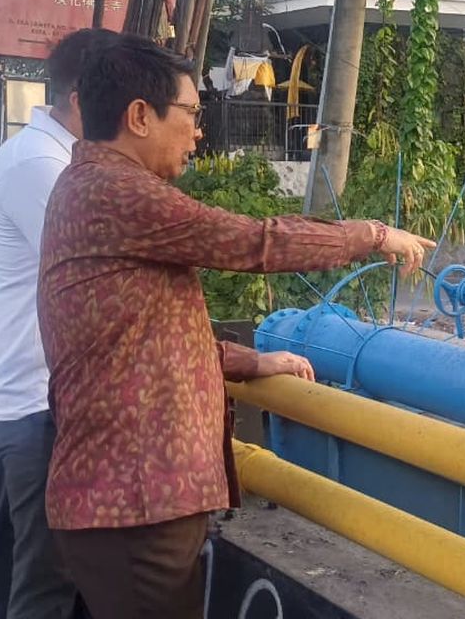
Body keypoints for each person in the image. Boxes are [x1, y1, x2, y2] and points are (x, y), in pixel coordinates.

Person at [38, 33, 435, 619]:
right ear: (140, 116)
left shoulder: (95, 189)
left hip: (128, 502)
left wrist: (252, 361)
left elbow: (139, 339)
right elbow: (251, 240)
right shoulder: (117, 191)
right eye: (193, 112)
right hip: (137, 503)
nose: (199, 131)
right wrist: (370, 236)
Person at [0, 30, 119, 619]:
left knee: (19, 579)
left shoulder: (55, 159)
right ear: (86, 98)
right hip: (39, 406)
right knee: (46, 588)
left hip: (32, 403)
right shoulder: (44, 165)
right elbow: (105, 274)